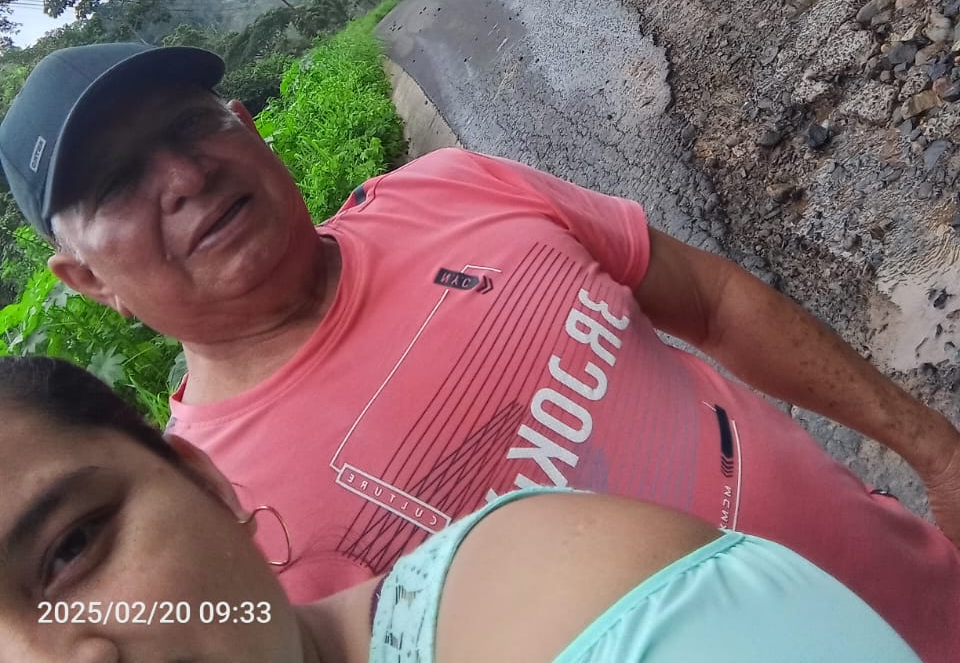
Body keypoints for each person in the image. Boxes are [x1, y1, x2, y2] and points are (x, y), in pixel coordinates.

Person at [0, 42, 958, 662]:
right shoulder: (215, 525)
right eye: (117, 183)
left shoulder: (453, 190)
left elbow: (710, 300)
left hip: (923, 592)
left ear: (246, 129)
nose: (182, 175)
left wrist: (932, 448)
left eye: (189, 125)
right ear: (87, 280)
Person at [0, 355, 921, 663]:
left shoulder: (572, 600)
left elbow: (705, 295)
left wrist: (928, 444)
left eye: (72, 546)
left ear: (204, 482)